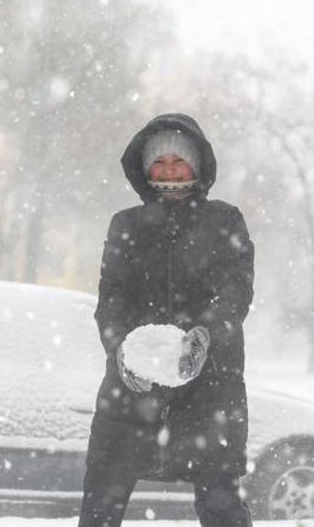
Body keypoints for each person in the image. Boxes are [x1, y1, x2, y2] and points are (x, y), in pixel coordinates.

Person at [79, 113, 255, 527]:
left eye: (179, 160)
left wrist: (206, 335)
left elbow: (237, 292)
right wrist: (120, 348)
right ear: (144, 168)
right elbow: (111, 300)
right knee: (101, 500)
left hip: (212, 390)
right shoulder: (126, 225)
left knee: (221, 504)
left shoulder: (225, 221)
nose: (170, 169)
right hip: (130, 393)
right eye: (159, 161)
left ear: (197, 165)